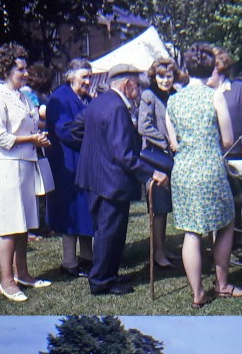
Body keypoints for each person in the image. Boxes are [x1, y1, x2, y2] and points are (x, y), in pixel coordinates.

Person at [75, 63, 166, 296]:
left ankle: (104, 275)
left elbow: (76, 128)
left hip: (95, 176)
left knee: (104, 230)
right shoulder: (116, 108)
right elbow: (124, 154)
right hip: (110, 180)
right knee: (110, 232)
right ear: (127, 85)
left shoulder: (99, 101)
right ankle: (102, 281)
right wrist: (150, 173)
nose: (139, 89)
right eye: (136, 84)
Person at [166, 43, 242, 307]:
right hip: (209, 168)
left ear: (187, 69)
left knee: (191, 231)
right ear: (212, 68)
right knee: (225, 223)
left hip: (183, 170)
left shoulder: (173, 100)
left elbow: (173, 140)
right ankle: (222, 285)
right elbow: (227, 139)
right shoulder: (215, 96)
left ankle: (198, 293)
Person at [0, 43, 52, 302]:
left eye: (25, 68)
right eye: (20, 69)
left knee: (23, 224)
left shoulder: (22, 96)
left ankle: (22, 273)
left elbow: (28, 126)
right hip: (6, 166)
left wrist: (38, 138)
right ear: (5, 70)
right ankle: (6, 281)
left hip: (26, 163)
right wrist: (32, 139)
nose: (25, 73)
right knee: (10, 226)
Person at [45, 58, 94, 278]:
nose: (88, 81)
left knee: (85, 210)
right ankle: (69, 262)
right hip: (66, 164)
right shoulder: (59, 99)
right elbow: (65, 131)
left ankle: (88, 258)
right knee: (71, 212)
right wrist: (95, 136)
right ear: (70, 76)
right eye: (84, 76)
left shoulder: (85, 98)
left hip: (83, 162)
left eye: (89, 77)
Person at [138, 57, 179, 269]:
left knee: (165, 206)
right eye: (161, 76)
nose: (165, 80)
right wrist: (166, 141)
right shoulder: (148, 95)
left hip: (170, 156)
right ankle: (157, 253)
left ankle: (163, 247)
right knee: (158, 205)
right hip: (155, 156)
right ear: (154, 76)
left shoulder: (174, 95)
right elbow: (143, 127)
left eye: (169, 76)